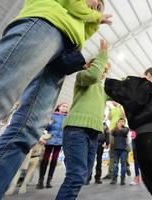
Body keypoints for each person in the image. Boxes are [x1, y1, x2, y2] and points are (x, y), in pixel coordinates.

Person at [0, 0, 112, 198]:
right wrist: (101, 46)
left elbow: (81, 31)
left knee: (28, 130)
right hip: (46, 23)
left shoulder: (101, 88)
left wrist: (93, 20)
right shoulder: (85, 77)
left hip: (64, 53)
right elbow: (72, 4)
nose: (97, 4)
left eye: (99, 5)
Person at [56, 39, 110, 199]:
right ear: (89, 66)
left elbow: (121, 94)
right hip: (76, 130)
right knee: (76, 176)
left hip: (94, 134)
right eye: (102, 68)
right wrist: (103, 55)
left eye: (106, 70)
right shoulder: (83, 77)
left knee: (83, 175)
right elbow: (94, 75)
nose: (103, 72)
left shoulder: (103, 90)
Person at [36, 102, 68, 189]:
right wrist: (49, 123)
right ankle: (40, 181)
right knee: (45, 160)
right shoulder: (53, 115)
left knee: (54, 160)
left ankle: (48, 181)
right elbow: (46, 128)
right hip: (50, 139)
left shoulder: (67, 117)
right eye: (63, 106)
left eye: (66, 107)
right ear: (59, 107)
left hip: (60, 141)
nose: (65, 108)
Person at [103, 101, 127, 179]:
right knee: (112, 153)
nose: (113, 101)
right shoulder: (112, 109)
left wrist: (120, 105)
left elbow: (124, 116)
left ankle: (127, 166)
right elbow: (109, 118)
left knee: (124, 151)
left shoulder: (121, 107)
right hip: (112, 132)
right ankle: (110, 173)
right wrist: (110, 109)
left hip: (122, 132)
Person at [110, 118, 129, 185]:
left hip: (124, 149)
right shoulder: (115, 129)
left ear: (124, 123)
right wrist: (116, 126)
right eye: (120, 121)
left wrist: (119, 127)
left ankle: (122, 179)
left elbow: (124, 132)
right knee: (115, 164)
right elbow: (112, 133)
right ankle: (114, 179)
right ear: (117, 122)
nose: (121, 122)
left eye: (123, 121)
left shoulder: (126, 129)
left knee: (123, 164)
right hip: (116, 149)